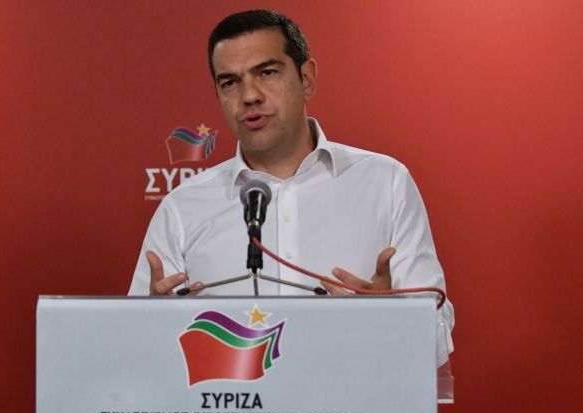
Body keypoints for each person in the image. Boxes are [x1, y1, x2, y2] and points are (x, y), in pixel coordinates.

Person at [129, 9, 454, 357]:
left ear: (307, 78)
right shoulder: (182, 208)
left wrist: (394, 319)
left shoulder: (384, 182)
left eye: (267, 72)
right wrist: (152, 328)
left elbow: (437, 338)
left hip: (353, 392)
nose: (249, 96)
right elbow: (136, 349)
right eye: (230, 82)